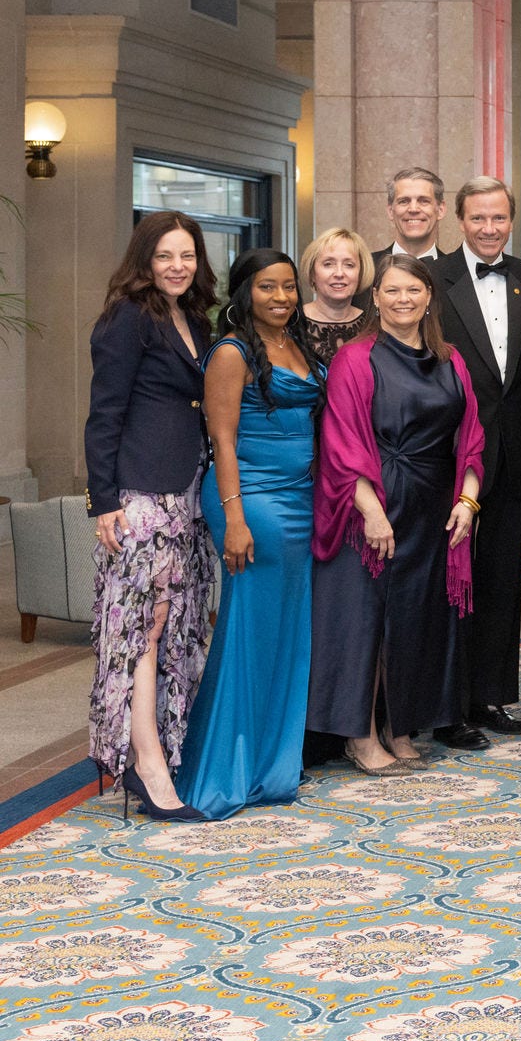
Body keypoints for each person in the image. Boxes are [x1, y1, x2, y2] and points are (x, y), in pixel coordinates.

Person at [309, 255, 484, 773]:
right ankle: (360, 738)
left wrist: (467, 502)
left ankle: (400, 726)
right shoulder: (355, 359)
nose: (402, 299)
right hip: (374, 506)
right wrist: (371, 511)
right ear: (376, 297)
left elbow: (471, 440)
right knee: (367, 622)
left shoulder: (450, 358)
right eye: (391, 290)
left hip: (435, 507)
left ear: (429, 296)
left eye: (412, 290)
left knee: (414, 622)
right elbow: (341, 443)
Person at [176, 250, 323, 818]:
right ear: (244, 293)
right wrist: (235, 519)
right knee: (248, 630)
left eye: (288, 287)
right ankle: (225, 767)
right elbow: (223, 442)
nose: (281, 297)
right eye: (268, 287)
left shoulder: (296, 344)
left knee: (288, 630)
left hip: (300, 497)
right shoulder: (232, 352)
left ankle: (271, 764)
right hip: (251, 500)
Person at [84, 211, 219, 820]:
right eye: (165, 256)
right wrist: (104, 501)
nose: (177, 266)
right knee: (143, 630)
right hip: (140, 498)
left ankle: (161, 748)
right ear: (145, 259)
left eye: (187, 255)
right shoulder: (127, 319)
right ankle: (145, 763)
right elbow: (103, 414)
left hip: (186, 498)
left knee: (172, 628)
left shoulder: (193, 317)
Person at [429, 176, 521, 750]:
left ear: (511, 220)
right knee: (450, 579)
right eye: (479, 219)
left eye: (499, 218)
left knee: (500, 577)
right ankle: (448, 705)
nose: (490, 229)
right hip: (448, 454)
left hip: (516, 451)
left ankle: (491, 696)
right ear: (459, 220)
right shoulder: (430, 279)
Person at [299, 227, 372, 367]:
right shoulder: (291, 324)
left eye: (349, 265)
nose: (339, 273)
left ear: (361, 273)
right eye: (328, 264)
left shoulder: (374, 325)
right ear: (312, 273)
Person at [375, 166, 446, 266]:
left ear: (440, 210)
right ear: (390, 211)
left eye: (424, 201)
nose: (413, 209)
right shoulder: (366, 270)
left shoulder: (459, 272)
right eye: (404, 201)